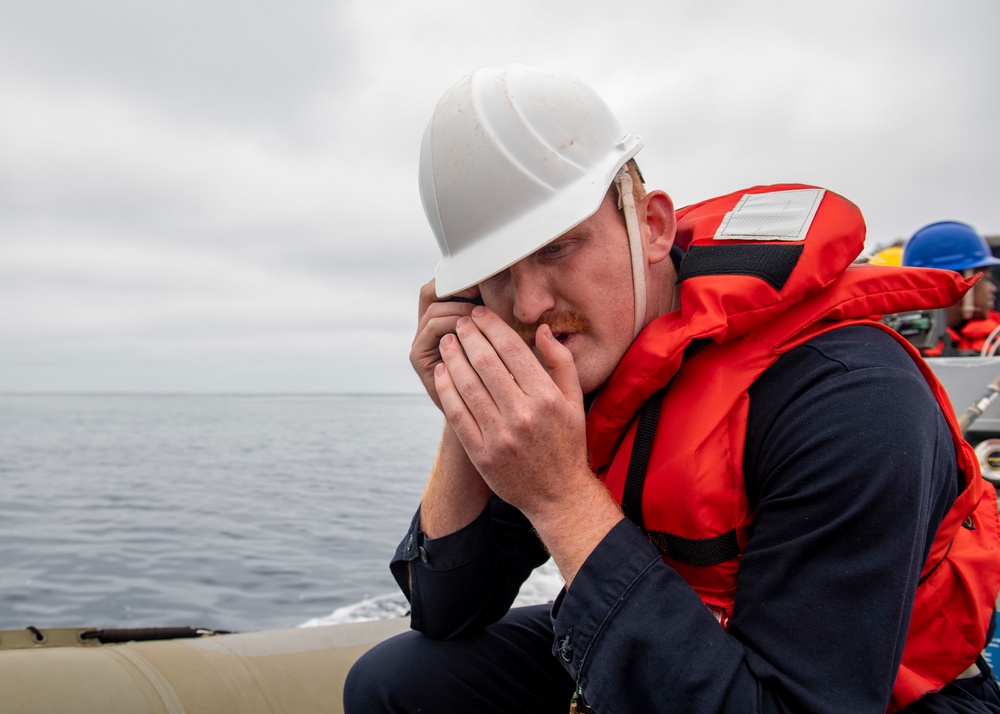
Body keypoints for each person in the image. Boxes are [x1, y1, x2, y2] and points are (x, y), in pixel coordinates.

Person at [344, 65, 1000, 713]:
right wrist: (465, 400)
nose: (531, 303)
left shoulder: (846, 397)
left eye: (557, 247)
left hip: (879, 692)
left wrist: (562, 496)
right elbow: (444, 613)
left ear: (652, 227)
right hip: (672, 624)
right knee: (396, 682)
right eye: (493, 276)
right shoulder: (578, 367)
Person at [902, 221, 1000, 356]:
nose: (993, 289)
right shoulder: (901, 349)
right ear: (959, 281)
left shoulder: (995, 340)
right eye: (986, 279)